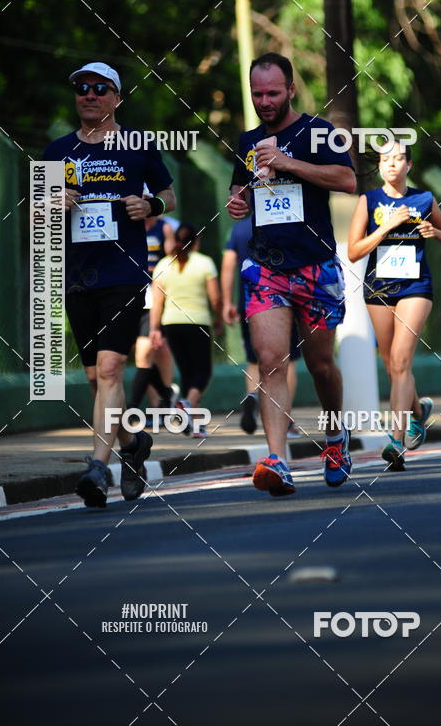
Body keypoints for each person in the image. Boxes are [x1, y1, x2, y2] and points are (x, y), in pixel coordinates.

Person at [44, 61, 176, 507]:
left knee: (109, 371)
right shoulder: (56, 152)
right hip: (78, 276)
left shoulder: (137, 145)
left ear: (117, 98)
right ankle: (132, 446)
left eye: (100, 88)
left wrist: (151, 204)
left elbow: (170, 195)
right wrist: (52, 203)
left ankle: (98, 469)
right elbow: (33, 215)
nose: (90, 94)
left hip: (125, 273)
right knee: (94, 380)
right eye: (82, 88)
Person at [227, 53, 356, 496]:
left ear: (292, 89)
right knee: (270, 362)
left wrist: (287, 162)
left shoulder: (319, 133)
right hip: (266, 267)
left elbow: (347, 180)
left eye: (273, 93)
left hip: (314, 268)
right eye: (257, 93)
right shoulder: (246, 140)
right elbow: (238, 191)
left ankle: (336, 438)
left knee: (321, 365)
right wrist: (237, 203)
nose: (265, 101)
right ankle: (277, 460)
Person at [347, 139, 441, 471]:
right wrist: (388, 227)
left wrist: (436, 232)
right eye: (385, 159)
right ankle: (418, 412)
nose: (392, 164)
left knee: (402, 360)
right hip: (378, 288)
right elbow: (353, 251)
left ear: (409, 166)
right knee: (392, 365)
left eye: (398, 159)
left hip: (415, 287)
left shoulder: (424, 198)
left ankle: (396, 441)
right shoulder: (369, 200)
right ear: (379, 166)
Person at [221, 214, 303, 437]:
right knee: (288, 360)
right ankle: (284, 419)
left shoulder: (237, 230)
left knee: (254, 359)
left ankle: (252, 396)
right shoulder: (284, 222)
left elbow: (228, 265)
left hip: (248, 302)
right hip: (283, 301)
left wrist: (227, 302)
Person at [149, 223, 222, 437]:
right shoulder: (205, 263)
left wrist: (154, 329)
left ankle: (196, 424)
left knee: (188, 372)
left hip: (171, 323)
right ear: (196, 241)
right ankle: (187, 404)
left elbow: (157, 302)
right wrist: (218, 319)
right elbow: (216, 298)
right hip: (198, 322)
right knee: (203, 371)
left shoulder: (163, 264)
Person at [128, 213, 180, 415]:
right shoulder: (128, 225)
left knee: (146, 351)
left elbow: (170, 259)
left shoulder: (164, 227)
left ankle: (135, 408)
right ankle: (165, 398)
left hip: (153, 295)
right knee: (142, 353)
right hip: (128, 293)